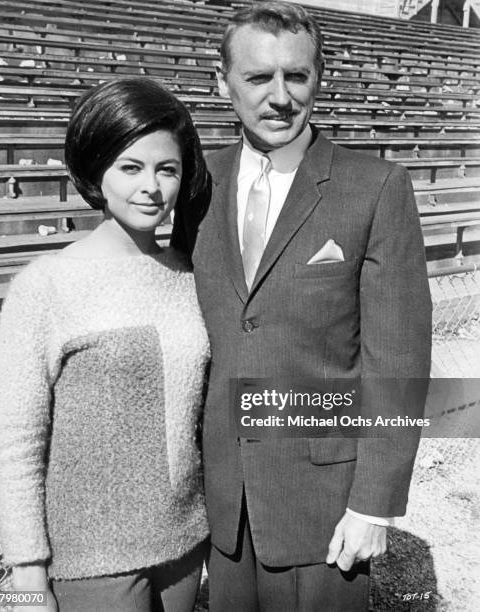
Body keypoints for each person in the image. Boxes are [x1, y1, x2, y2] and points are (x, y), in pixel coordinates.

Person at [171, 2, 432, 610]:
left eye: (297, 76)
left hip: (326, 507)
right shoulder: (195, 188)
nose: (280, 96)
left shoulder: (376, 188)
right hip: (225, 504)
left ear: (320, 77)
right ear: (223, 81)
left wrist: (374, 503)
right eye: (259, 77)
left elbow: (397, 362)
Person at [0, 77, 210, 612]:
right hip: (88, 559)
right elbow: (17, 441)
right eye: (130, 167)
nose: (151, 187)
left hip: (184, 543)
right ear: (96, 174)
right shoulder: (45, 286)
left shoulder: (193, 276)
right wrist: (27, 572)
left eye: (167, 169)